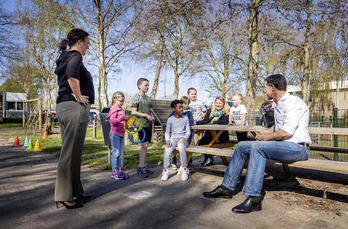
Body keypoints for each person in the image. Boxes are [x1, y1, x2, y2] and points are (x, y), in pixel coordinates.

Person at [203, 74, 311, 214]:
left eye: (265, 87)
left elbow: (286, 132)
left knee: (257, 147)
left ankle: (254, 197)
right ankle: (226, 188)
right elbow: (278, 127)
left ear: (273, 88)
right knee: (242, 146)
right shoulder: (278, 104)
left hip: (298, 148)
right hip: (283, 145)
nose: (264, 90)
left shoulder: (293, 103)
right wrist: (265, 133)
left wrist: (265, 139)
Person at [54, 28, 94, 209]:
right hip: (72, 107)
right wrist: (79, 96)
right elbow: (71, 75)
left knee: (74, 153)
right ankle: (63, 195)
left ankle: (76, 191)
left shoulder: (65, 56)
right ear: (79, 42)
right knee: (69, 153)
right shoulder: (76, 56)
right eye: (87, 43)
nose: (88, 47)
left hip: (64, 106)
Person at [162, 100, 191, 181]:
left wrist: (185, 138)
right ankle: (166, 171)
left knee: (182, 148)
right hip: (173, 138)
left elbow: (188, 131)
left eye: (182, 107)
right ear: (173, 109)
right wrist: (167, 140)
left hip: (182, 138)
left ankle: (184, 170)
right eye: (179, 108)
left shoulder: (185, 118)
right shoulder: (170, 119)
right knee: (167, 150)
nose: (181, 109)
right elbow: (167, 132)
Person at [196, 96, 230, 166]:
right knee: (201, 143)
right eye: (216, 103)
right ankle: (208, 158)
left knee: (208, 144)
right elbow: (205, 121)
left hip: (221, 136)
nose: (218, 104)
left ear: (224, 104)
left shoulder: (226, 112)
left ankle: (209, 159)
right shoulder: (210, 110)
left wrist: (212, 123)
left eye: (220, 103)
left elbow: (224, 122)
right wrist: (195, 123)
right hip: (209, 135)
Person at [131, 78, 155, 178]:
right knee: (144, 145)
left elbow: (150, 110)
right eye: (145, 85)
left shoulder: (148, 98)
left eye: (148, 85)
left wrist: (152, 116)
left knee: (146, 145)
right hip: (141, 124)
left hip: (149, 124)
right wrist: (145, 115)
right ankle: (141, 167)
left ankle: (143, 165)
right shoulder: (136, 97)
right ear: (139, 86)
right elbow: (133, 112)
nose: (147, 87)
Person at [107, 91, 130, 180]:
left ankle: (119, 171)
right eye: (120, 101)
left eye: (123, 101)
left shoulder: (121, 109)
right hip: (115, 133)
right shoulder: (114, 109)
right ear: (115, 100)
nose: (122, 103)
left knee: (119, 153)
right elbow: (113, 121)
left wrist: (128, 126)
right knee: (115, 153)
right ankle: (115, 172)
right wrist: (123, 118)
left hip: (121, 133)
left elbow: (122, 122)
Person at [169, 96, 194, 169]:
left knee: (187, 147)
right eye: (185, 104)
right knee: (173, 147)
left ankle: (188, 164)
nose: (187, 105)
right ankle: (173, 162)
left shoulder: (189, 113)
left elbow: (191, 122)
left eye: (188, 104)